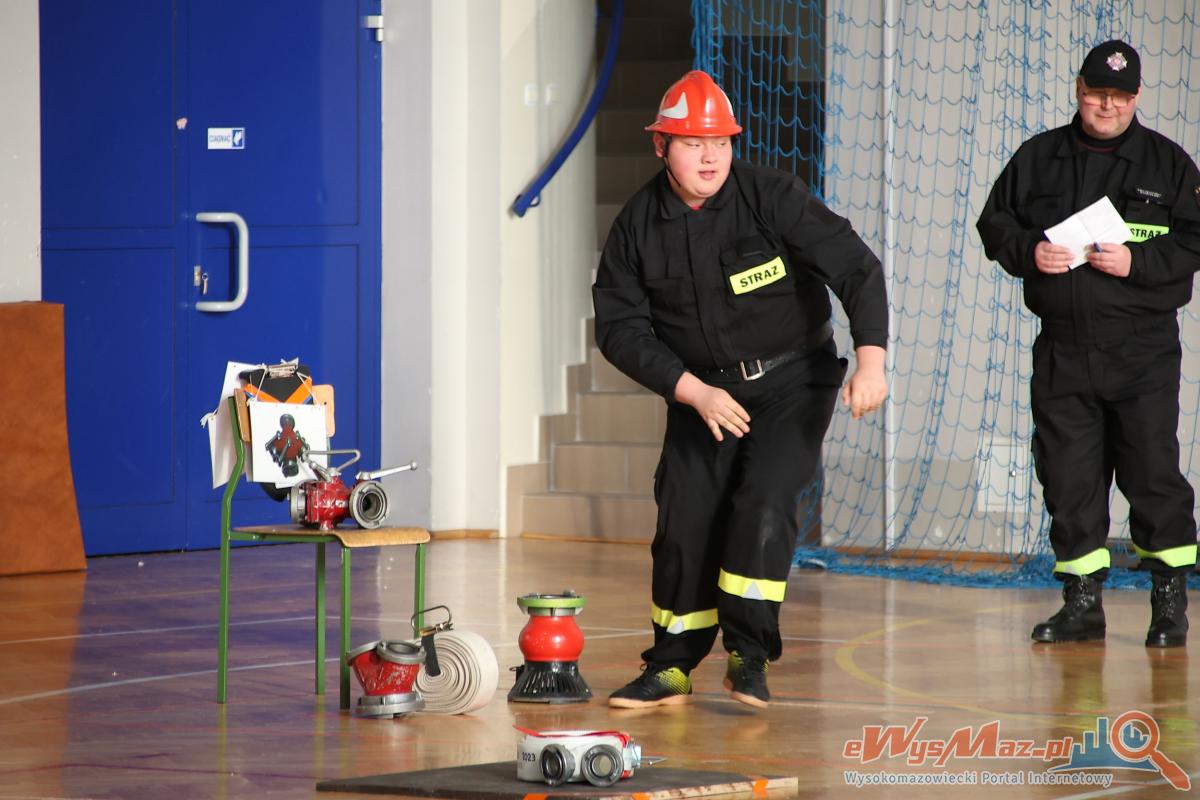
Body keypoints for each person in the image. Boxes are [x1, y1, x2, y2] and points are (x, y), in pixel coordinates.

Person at [592, 70, 888, 709]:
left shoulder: (772, 197)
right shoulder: (637, 225)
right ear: (661, 146)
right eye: (693, 143)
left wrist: (871, 362)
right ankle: (671, 667)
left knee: (764, 502)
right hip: (701, 395)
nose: (709, 157)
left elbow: (857, 268)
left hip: (793, 382)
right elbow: (618, 328)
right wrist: (690, 391)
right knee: (684, 519)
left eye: (720, 143)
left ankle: (749, 655)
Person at [977, 41, 1200, 648]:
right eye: (1098, 93)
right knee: (1068, 476)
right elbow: (994, 224)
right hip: (1064, 350)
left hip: (1142, 351)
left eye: (1120, 97)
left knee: (1152, 473)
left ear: (1136, 97)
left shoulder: (1168, 163)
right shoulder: (1038, 157)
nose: (1108, 105)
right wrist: (1030, 251)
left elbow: (1194, 240)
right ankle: (1081, 605)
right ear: (1079, 90)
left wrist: (1137, 262)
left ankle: (1169, 604)